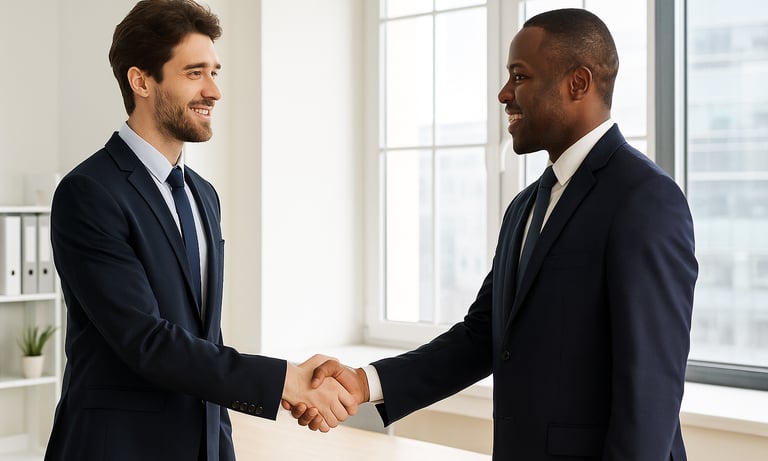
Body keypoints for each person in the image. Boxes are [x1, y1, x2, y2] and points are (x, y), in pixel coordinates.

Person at [290, 8, 698, 461]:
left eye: (519, 77)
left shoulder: (645, 200)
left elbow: (650, 393)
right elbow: (483, 336)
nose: (505, 94)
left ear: (577, 84)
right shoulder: (525, 206)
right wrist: (365, 383)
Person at [44, 1, 355, 460]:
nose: (214, 90)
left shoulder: (203, 194)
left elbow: (202, 338)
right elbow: (146, 341)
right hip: (117, 447)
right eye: (194, 73)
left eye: (215, 71)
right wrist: (285, 379)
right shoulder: (88, 192)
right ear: (141, 81)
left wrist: (277, 397)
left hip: (207, 444)